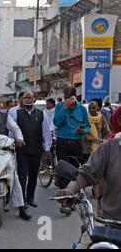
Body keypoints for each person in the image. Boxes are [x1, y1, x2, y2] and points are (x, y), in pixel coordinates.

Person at [57, 137, 121, 248]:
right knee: (83, 246)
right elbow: (86, 174)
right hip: (108, 224)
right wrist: (70, 190)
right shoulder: (111, 147)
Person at [11, 91, 52, 208]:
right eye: (25, 98)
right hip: (21, 150)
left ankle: (30, 198)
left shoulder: (41, 114)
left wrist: (47, 147)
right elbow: (11, 131)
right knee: (22, 175)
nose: (27, 100)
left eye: (29, 97)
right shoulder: (16, 114)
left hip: (36, 149)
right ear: (22, 100)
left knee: (33, 176)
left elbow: (46, 132)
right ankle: (21, 200)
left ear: (34, 99)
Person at [53, 86, 90, 215]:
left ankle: (71, 200)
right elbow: (56, 122)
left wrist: (83, 130)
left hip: (76, 144)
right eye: (66, 97)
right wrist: (65, 108)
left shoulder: (82, 109)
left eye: (70, 97)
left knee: (74, 173)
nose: (68, 100)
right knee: (64, 172)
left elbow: (88, 126)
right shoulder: (60, 107)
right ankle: (65, 203)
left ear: (75, 97)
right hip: (62, 142)